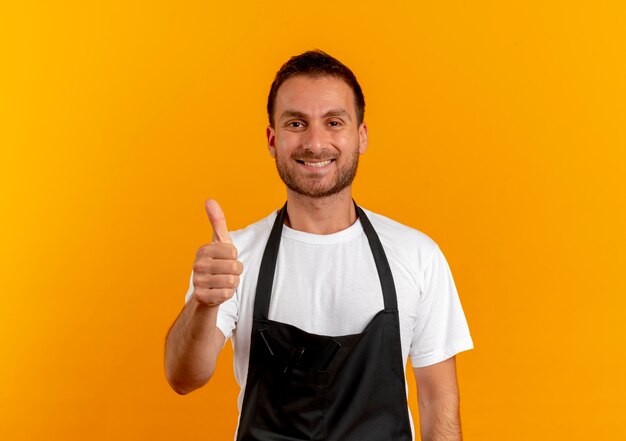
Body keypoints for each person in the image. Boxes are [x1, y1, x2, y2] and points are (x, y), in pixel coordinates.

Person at [165, 50, 474, 441]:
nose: (315, 142)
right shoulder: (233, 259)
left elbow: (438, 404)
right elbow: (183, 378)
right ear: (272, 140)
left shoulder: (417, 256)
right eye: (296, 123)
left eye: (333, 122)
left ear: (360, 136)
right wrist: (203, 304)